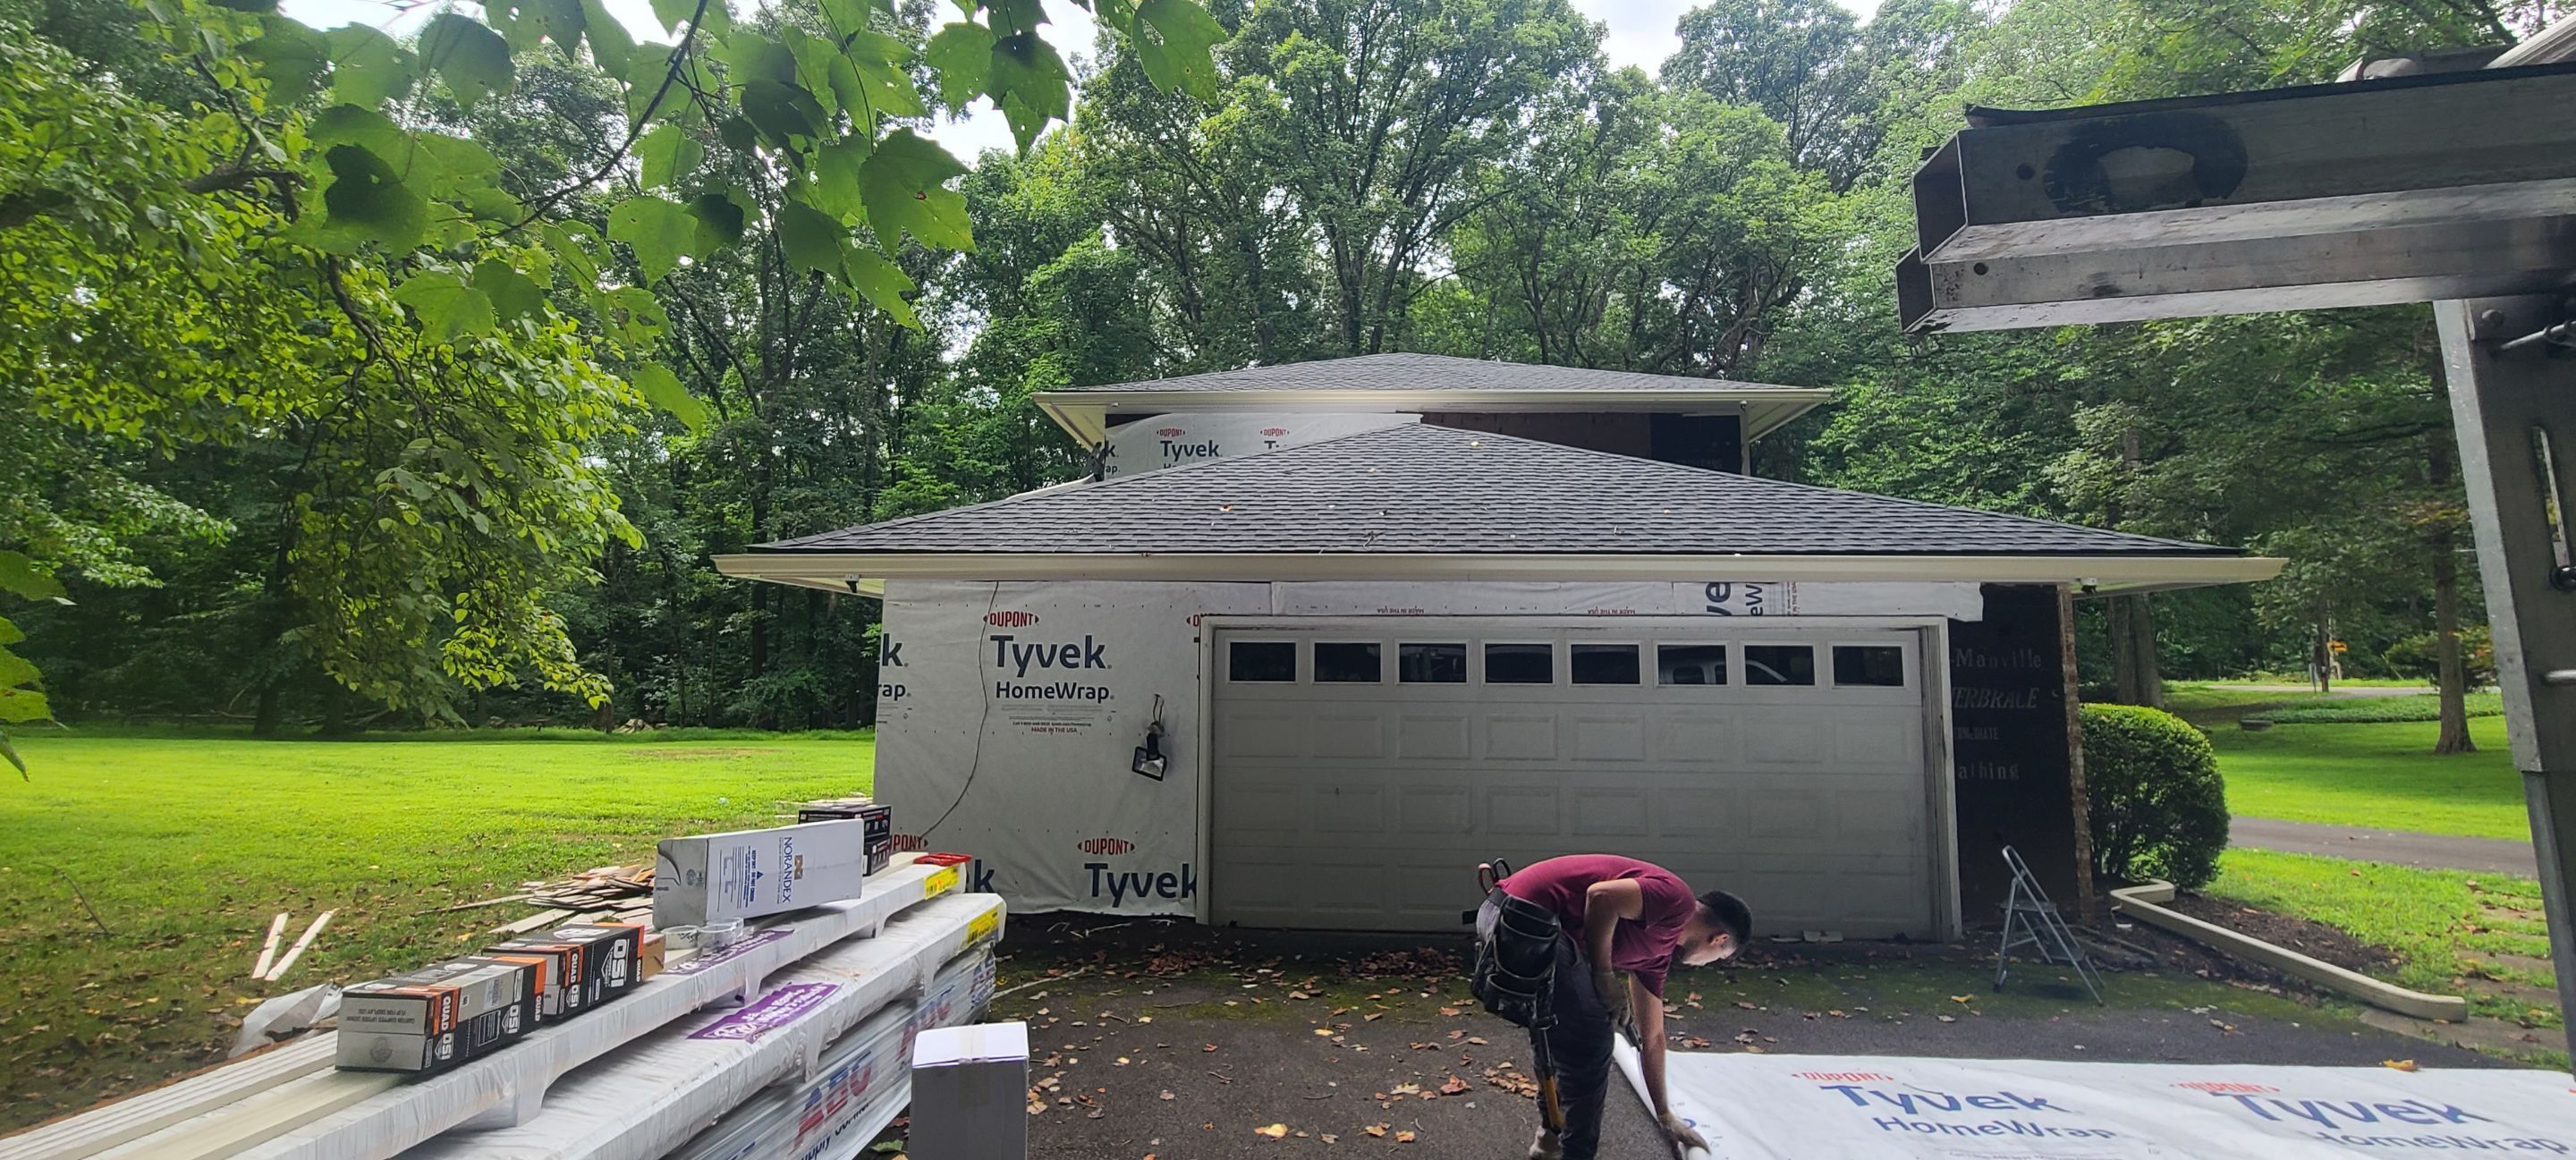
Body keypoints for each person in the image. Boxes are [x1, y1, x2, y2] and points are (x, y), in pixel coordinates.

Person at [1477, 854, 1750, 1160]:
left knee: (1559, 1026)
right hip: (1522, 917)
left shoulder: (1656, 957)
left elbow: (1653, 1037)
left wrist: (1665, 1115)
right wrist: (1604, 976)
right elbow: (1601, 896)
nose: (1708, 964)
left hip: (1521, 924)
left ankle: (1551, 1137)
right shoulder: (1677, 900)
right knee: (1593, 1038)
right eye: (1719, 958)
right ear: (1719, 940)